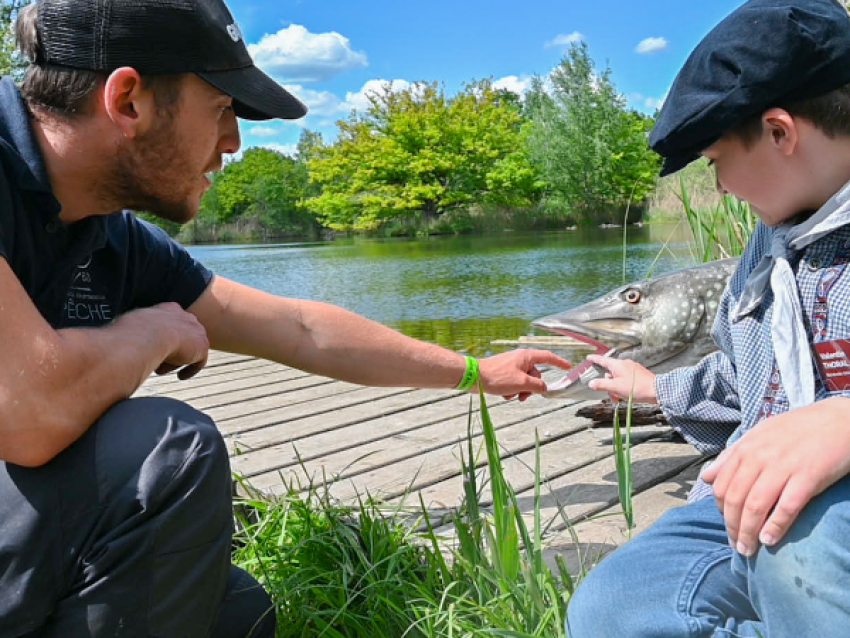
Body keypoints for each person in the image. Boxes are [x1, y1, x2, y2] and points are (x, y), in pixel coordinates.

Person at [0, 1, 572, 636]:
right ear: (129, 100)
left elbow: (300, 328)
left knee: (234, 610)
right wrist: (149, 332)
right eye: (221, 109)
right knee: (168, 451)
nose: (234, 143)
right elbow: (31, 412)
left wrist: (476, 369)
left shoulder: (107, 234)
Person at [565, 0, 850, 636]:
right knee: (614, 605)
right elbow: (752, 379)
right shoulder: (767, 244)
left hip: (816, 518)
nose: (718, 188)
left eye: (717, 160)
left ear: (780, 133)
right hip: (749, 499)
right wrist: (657, 388)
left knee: (798, 546)